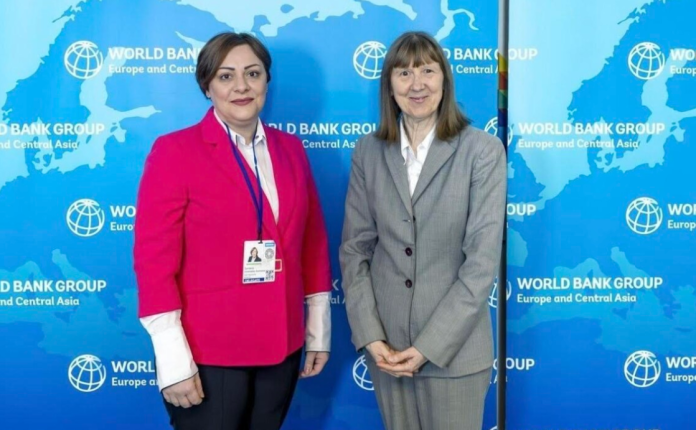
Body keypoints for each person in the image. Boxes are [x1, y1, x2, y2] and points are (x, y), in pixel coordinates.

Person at [134, 32, 332, 430]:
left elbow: (311, 244)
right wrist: (172, 357)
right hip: (208, 353)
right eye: (226, 76)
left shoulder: (291, 149)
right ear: (207, 86)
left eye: (252, 74)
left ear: (266, 82)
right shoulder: (175, 151)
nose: (241, 86)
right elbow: (154, 263)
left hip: (281, 346)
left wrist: (318, 329)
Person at [339, 31, 507, 430]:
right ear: (389, 86)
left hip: (455, 354)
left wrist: (429, 346)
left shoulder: (482, 151)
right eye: (404, 73)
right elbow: (355, 249)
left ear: (444, 79)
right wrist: (371, 336)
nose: (417, 84)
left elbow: (481, 264)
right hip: (387, 353)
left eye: (428, 71)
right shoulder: (368, 151)